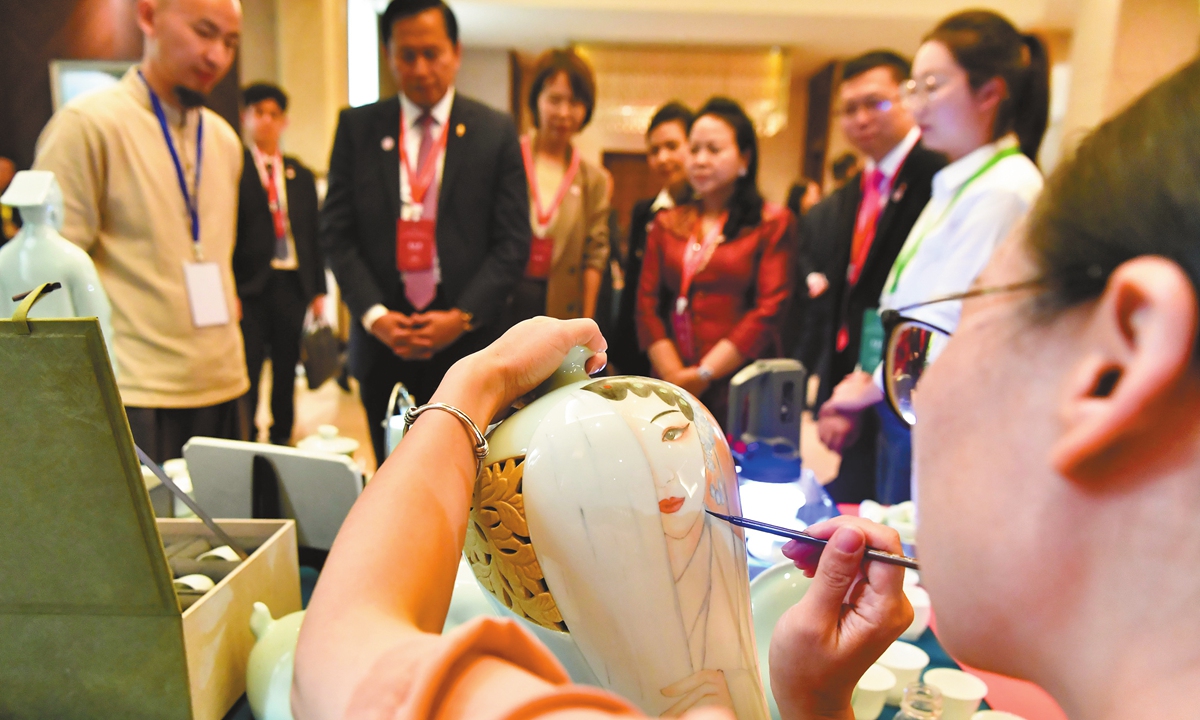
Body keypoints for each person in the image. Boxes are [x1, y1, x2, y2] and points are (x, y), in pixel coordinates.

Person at [818, 10, 1049, 505]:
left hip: (939, 402)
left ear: (990, 93)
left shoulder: (1005, 190)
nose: (918, 104)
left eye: (934, 86)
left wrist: (872, 385)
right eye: (913, 87)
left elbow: (953, 322)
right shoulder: (960, 179)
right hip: (908, 395)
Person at [32, 0, 247, 462]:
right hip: (136, 388)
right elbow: (48, 280)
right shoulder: (87, 125)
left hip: (225, 377)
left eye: (230, 42)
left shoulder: (225, 140)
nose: (217, 56)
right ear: (148, 16)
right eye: (204, 32)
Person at [319, 0, 530, 462]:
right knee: (391, 471)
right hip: (383, 342)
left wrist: (461, 317)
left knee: (471, 479)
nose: (419, 68)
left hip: (469, 344)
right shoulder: (357, 128)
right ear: (388, 53)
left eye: (432, 53)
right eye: (406, 55)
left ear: (455, 52)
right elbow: (337, 232)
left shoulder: (494, 131)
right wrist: (375, 315)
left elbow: (513, 242)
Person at [801, 50, 946, 503]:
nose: (861, 118)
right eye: (849, 109)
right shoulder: (852, 193)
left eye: (876, 103)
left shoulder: (935, 175)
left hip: (910, 380)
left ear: (907, 99)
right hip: (859, 373)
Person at [636, 97, 794, 426]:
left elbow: (770, 308)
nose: (700, 160)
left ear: (744, 158)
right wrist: (675, 375)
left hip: (740, 381)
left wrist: (704, 373)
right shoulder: (667, 222)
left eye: (714, 149)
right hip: (672, 380)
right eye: (694, 150)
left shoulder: (770, 222)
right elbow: (647, 304)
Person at [234, 82, 326, 445]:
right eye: (259, 113)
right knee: (250, 367)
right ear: (246, 118)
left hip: (291, 284)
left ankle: (281, 433)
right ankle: (246, 433)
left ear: (284, 121)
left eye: (274, 114)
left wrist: (318, 289)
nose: (266, 121)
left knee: (288, 365)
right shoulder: (236, 169)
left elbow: (312, 235)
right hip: (251, 285)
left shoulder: (298, 174)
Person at [507, 49, 610, 324]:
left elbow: (594, 256)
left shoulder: (594, 180)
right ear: (536, 100)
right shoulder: (507, 160)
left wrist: (586, 326)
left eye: (575, 102)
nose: (564, 112)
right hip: (505, 304)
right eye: (554, 100)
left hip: (561, 309)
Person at [608, 101, 693, 377]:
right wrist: (616, 355)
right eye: (654, 151)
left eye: (672, 146)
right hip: (643, 353)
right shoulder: (645, 212)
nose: (662, 158)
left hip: (692, 352)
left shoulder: (711, 215)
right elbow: (634, 291)